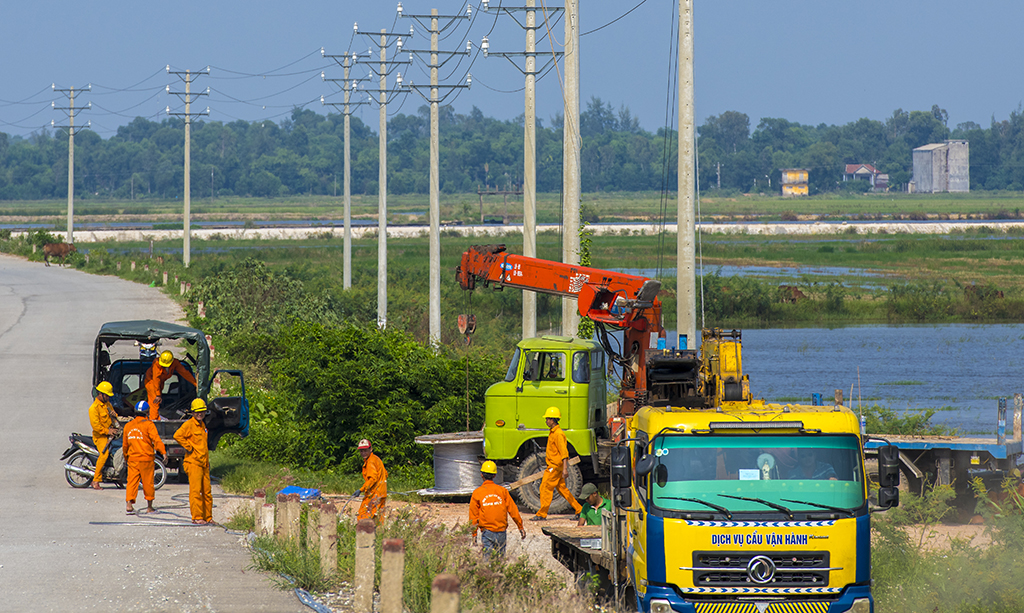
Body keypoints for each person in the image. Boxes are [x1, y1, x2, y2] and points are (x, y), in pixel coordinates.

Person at [530, 406, 583, 521]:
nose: (546, 421)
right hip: (555, 467)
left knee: (545, 487)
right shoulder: (553, 432)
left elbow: (564, 453)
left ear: (553, 420)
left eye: (547, 419)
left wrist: (565, 469)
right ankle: (579, 510)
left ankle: (542, 514)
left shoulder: (558, 434)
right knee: (563, 490)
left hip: (554, 467)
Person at [469, 461, 526, 560]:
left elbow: (473, 516)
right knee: (500, 561)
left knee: (487, 562)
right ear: (495, 475)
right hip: (501, 532)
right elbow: (513, 510)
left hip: (487, 532)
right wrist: (520, 527)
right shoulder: (502, 491)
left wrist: (474, 535)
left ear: (481, 475)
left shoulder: (477, 493)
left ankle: (487, 575)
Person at [123, 400, 166, 514]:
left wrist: (126, 457)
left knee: (131, 481)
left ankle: (129, 504)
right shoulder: (149, 425)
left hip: (132, 458)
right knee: (148, 482)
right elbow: (156, 440)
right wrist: (163, 452)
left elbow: (125, 445)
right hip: (146, 459)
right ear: (147, 413)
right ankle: (149, 507)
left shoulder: (128, 426)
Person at [173, 398, 213, 524]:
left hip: (204, 463)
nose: (200, 414)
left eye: (202, 411)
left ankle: (208, 517)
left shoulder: (202, 425)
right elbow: (177, 435)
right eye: (197, 412)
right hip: (193, 463)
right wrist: (189, 447)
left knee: (207, 492)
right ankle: (197, 517)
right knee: (196, 492)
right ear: (193, 413)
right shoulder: (189, 425)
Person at [143, 350, 197, 421]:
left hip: (161, 382)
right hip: (151, 382)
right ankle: (154, 421)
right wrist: (158, 395)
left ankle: (148, 417)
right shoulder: (156, 363)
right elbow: (156, 379)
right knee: (155, 402)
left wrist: (195, 384)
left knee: (152, 403)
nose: (164, 366)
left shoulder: (175, 363)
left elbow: (185, 373)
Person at [88, 381, 120, 490]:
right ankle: (95, 480)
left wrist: (114, 415)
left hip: (110, 434)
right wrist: (108, 431)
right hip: (100, 437)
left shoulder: (107, 404)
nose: (109, 397)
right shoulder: (94, 408)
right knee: (104, 454)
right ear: (101, 394)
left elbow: (115, 415)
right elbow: (96, 427)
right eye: (107, 395)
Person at [356, 439, 388, 524]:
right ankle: (379, 535)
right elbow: (385, 474)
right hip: (382, 493)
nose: (363, 453)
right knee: (378, 518)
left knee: (363, 516)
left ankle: (363, 535)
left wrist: (361, 490)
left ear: (371, 449)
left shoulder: (370, 462)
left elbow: (373, 478)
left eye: (365, 450)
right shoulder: (376, 459)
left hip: (374, 495)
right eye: (361, 451)